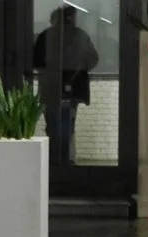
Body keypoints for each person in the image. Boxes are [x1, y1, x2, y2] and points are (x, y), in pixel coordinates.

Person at [33, 6, 99, 165]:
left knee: (53, 125)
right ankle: (66, 159)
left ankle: (54, 160)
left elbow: (35, 61)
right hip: (74, 87)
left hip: (51, 86)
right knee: (68, 125)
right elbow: (92, 59)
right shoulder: (80, 35)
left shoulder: (45, 36)